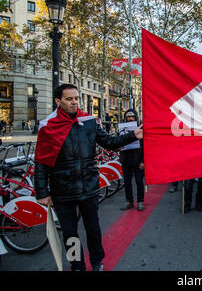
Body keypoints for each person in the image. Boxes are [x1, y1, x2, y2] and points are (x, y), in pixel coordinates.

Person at [34, 84, 143, 271]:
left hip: (88, 187)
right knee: (70, 233)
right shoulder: (48, 127)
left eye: (76, 98)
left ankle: (96, 261)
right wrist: (42, 192)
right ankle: (77, 265)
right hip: (62, 191)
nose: (74, 102)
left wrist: (133, 135)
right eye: (69, 99)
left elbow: (109, 142)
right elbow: (41, 162)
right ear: (58, 101)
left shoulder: (90, 121)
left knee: (93, 229)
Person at [119, 109, 145, 212]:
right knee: (127, 182)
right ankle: (129, 201)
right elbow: (117, 142)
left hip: (138, 160)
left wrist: (143, 161)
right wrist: (118, 147)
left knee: (139, 181)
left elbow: (145, 146)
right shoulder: (121, 129)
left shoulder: (141, 128)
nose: (130, 118)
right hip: (126, 160)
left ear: (136, 117)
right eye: (128, 117)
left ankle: (140, 201)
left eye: (132, 116)